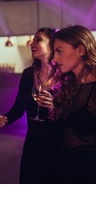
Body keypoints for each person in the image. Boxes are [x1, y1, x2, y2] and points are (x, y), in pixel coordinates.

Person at [0, 27, 63, 183]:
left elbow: (72, 114)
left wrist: (56, 109)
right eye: (32, 40)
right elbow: (19, 108)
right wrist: (6, 118)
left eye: (38, 39)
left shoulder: (64, 75)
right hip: (33, 144)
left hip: (57, 146)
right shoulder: (28, 74)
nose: (32, 43)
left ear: (52, 45)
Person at [51, 25, 96, 183]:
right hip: (65, 170)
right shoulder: (70, 85)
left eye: (60, 51)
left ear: (81, 50)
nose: (54, 59)